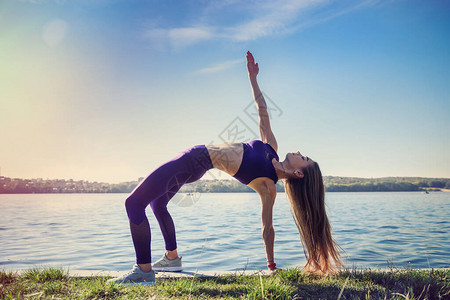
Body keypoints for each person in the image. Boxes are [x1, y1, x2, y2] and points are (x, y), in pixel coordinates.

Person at [108, 51, 342, 286]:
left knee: (133, 203)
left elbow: (267, 228)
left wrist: (271, 266)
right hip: (193, 160)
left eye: (305, 158)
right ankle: (172, 258)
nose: (300, 152)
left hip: (192, 163)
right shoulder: (272, 147)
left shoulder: (268, 185)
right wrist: (253, 78)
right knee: (158, 204)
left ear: (299, 173)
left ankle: (143, 272)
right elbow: (262, 110)